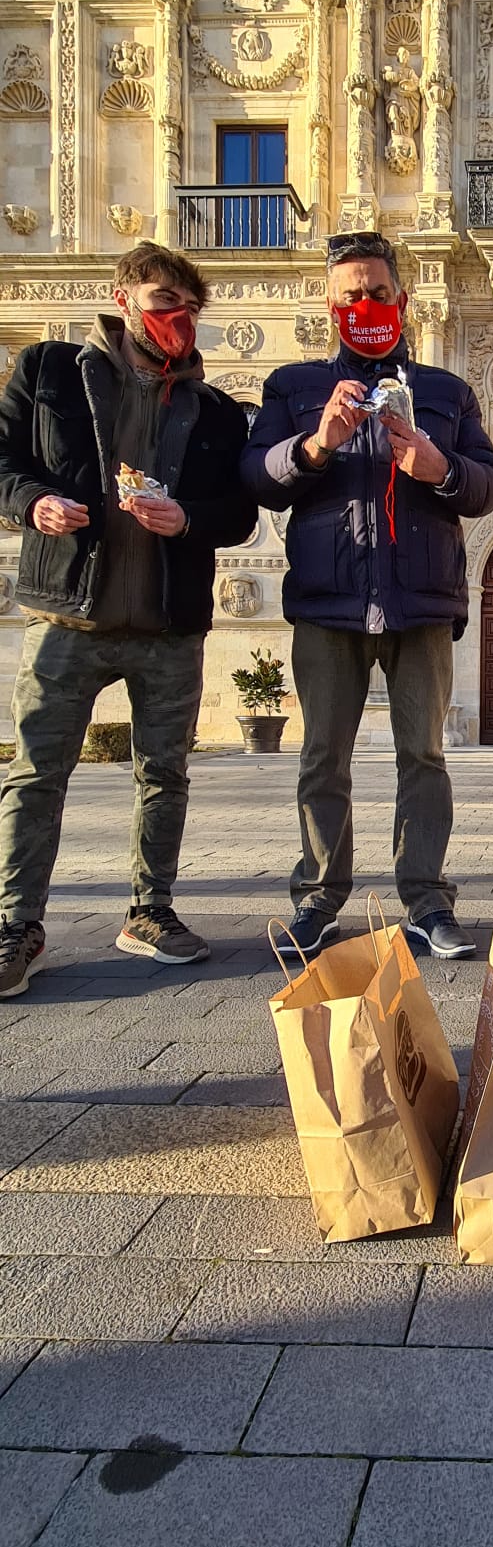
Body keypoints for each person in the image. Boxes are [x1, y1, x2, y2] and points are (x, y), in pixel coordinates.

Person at [0, 242, 257, 995]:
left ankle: (151, 910)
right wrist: (31, 504)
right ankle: (17, 924)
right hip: (67, 614)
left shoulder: (213, 410)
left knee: (165, 774)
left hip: (169, 622)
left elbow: (239, 514)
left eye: (188, 308)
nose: (177, 320)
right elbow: (4, 462)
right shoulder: (50, 370)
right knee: (38, 774)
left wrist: (187, 519)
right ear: (123, 300)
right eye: (162, 304)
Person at [242, 231, 493, 960]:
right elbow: (256, 478)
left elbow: (488, 485)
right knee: (322, 756)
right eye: (352, 295)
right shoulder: (294, 389)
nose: (366, 305)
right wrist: (314, 445)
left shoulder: (446, 393)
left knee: (423, 755)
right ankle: (319, 899)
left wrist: (437, 464)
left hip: (420, 601)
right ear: (332, 305)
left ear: (404, 300)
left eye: (378, 293)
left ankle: (426, 900)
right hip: (328, 603)